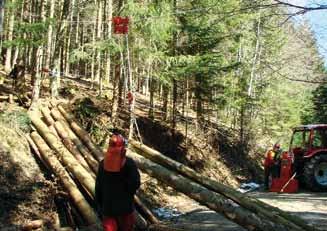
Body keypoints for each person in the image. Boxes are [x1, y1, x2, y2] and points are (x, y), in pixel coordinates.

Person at [95, 131, 140, 231]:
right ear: (123, 149)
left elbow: (98, 186)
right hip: (125, 207)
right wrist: (128, 192)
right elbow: (135, 183)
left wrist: (98, 204)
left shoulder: (103, 164)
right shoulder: (129, 163)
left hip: (107, 207)